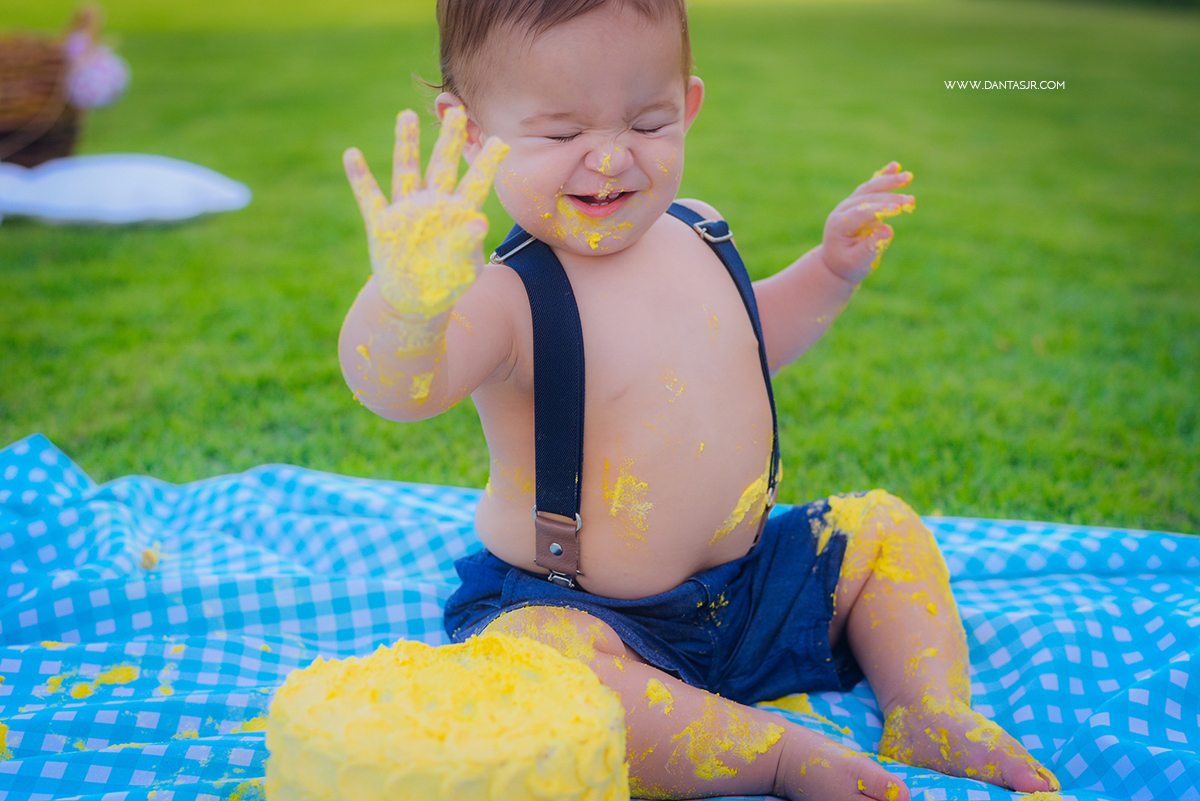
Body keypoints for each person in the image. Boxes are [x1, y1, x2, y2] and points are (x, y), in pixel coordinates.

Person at [337, 1, 1061, 798]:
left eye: (647, 123)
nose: (610, 159)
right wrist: (407, 303)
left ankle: (928, 707)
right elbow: (400, 388)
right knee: (540, 667)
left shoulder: (700, 229)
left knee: (880, 529)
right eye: (561, 134)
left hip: (749, 590)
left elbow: (750, 341)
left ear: (687, 105)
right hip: (589, 614)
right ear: (470, 134)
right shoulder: (508, 297)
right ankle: (776, 754)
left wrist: (828, 271)